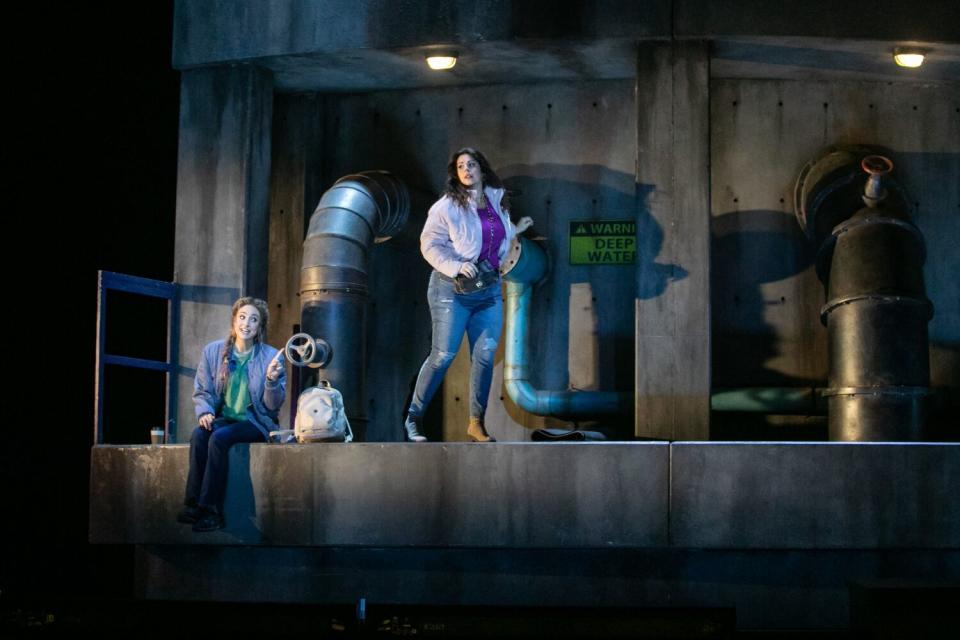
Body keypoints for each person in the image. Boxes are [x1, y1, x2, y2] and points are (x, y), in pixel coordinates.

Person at [404, 147, 533, 442]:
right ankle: (413, 417)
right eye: (460, 166)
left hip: (487, 289)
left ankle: (476, 422)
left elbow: (492, 236)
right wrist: (456, 266)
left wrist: (515, 231)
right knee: (443, 355)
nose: (466, 170)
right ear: (455, 174)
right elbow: (428, 244)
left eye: (471, 164)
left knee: (486, 355)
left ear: (482, 169)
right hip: (451, 289)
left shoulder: (496, 199)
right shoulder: (447, 206)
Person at [177, 296, 286, 531]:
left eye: (253, 320)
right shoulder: (213, 352)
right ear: (234, 320)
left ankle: (211, 510)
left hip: (256, 421)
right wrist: (204, 412)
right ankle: (193, 504)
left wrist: (271, 380)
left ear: (259, 327)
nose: (246, 324)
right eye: (243, 317)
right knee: (199, 435)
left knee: (219, 438)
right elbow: (203, 389)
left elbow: (272, 406)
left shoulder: (271, 357)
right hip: (224, 418)